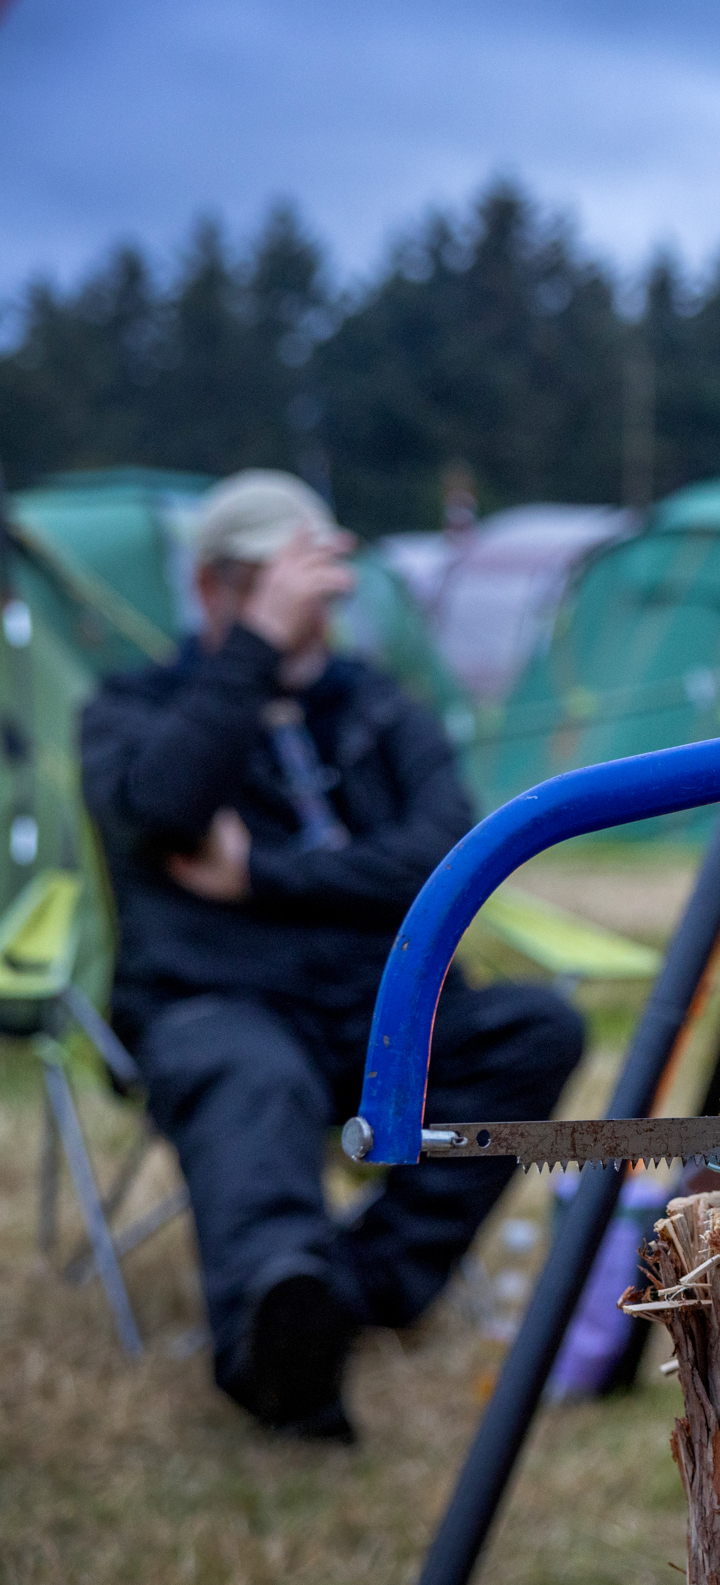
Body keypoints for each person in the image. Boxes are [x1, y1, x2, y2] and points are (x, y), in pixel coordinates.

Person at [82, 470, 582, 1443]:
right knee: (249, 1075)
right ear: (212, 586)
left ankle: (354, 1286)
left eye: (306, 580)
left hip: (375, 1007)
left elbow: (445, 854)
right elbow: (164, 809)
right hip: (215, 1002)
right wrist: (255, 651)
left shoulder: (380, 710)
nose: (302, 600)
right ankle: (283, 1355)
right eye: (264, 580)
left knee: (536, 1027)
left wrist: (264, 873)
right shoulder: (134, 707)